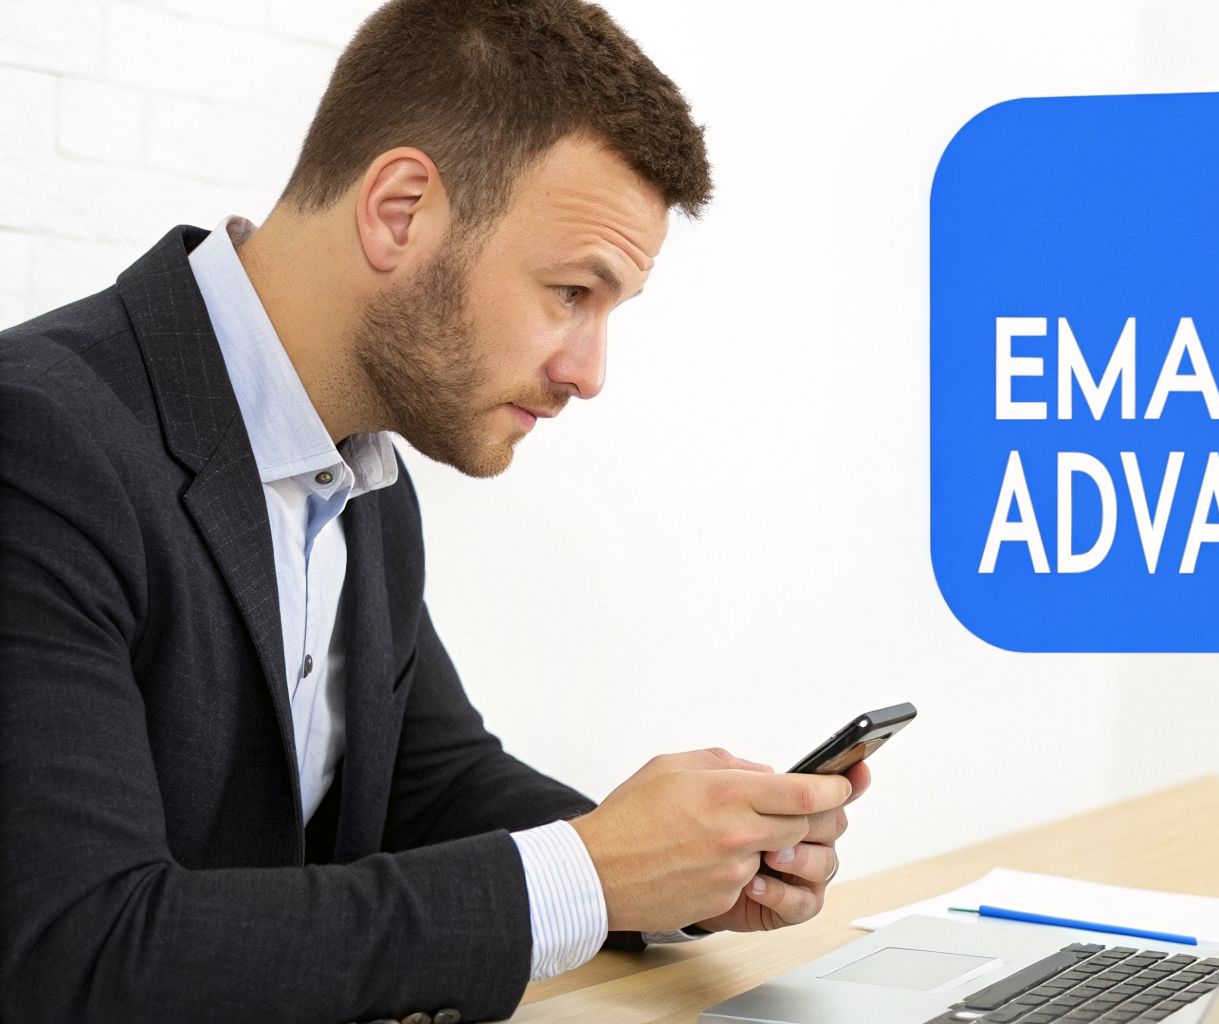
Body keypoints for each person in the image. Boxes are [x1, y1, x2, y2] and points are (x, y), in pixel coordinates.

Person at [0, 2, 868, 1021]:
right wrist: (592, 872)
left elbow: (436, 785)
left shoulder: (361, 477)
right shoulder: (40, 444)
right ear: (400, 210)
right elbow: (83, 952)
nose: (587, 373)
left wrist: (687, 869)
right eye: (570, 293)